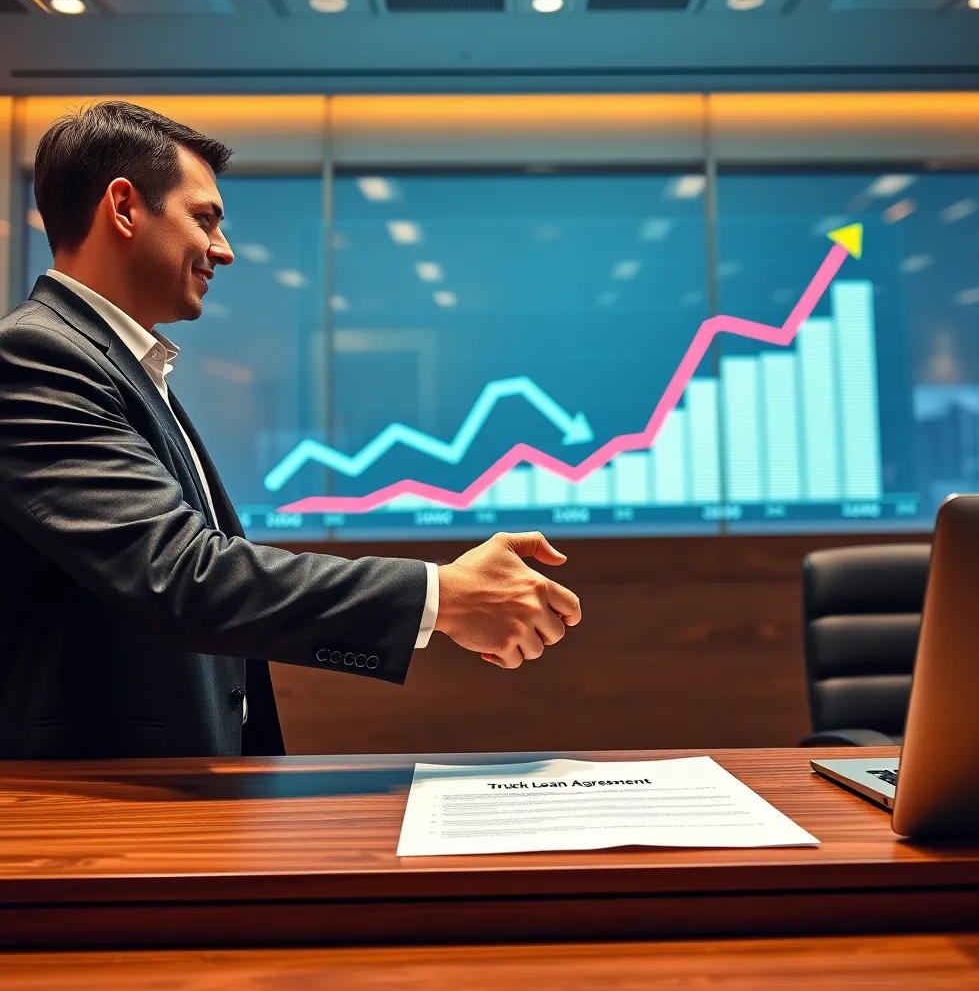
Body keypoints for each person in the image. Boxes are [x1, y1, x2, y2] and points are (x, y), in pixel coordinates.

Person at [0, 101, 582, 761]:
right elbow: (181, 576)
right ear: (125, 207)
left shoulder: (117, 363)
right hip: (92, 801)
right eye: (205, 219)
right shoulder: (34, 358)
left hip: (171, 786)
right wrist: (441, 596)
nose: (224, 249)